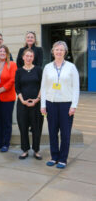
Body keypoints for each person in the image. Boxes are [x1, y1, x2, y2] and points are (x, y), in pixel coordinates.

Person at [41, 41, 80, 169]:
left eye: (61, 50)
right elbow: (44, 87)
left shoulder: (71, 67)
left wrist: (73, 105)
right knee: (52, 132)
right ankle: (54, 157)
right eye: (56, 49)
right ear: (53, 51)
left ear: (65, 52)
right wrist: (43, 105)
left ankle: (63, 159)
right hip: (51, 104)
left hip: (66, 104)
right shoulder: (47, 67)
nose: (58, 52)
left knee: (65, 133)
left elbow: (76, 88)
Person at [15, 49, 43, 160]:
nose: (29, 58)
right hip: (22, 104)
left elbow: (42, 86)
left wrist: (37, 99)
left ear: (33, 58)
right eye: (27, 56)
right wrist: (22, 101)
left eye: (31, 56)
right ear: (23, 57)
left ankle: (36, 150)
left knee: (37, 127)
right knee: (23, 127)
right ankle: (25, 150)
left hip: (36, 104)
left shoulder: (38, 70)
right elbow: (17, 87)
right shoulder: (19, 71)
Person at [0, 45, 17, 153]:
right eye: (0, 51)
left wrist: (1, 90)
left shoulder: (12, 64)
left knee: (6, 121)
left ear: (7, 53)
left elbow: (12, 80)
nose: (2, 53)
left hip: (7, 96)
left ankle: (6, 144)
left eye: (4, 51)